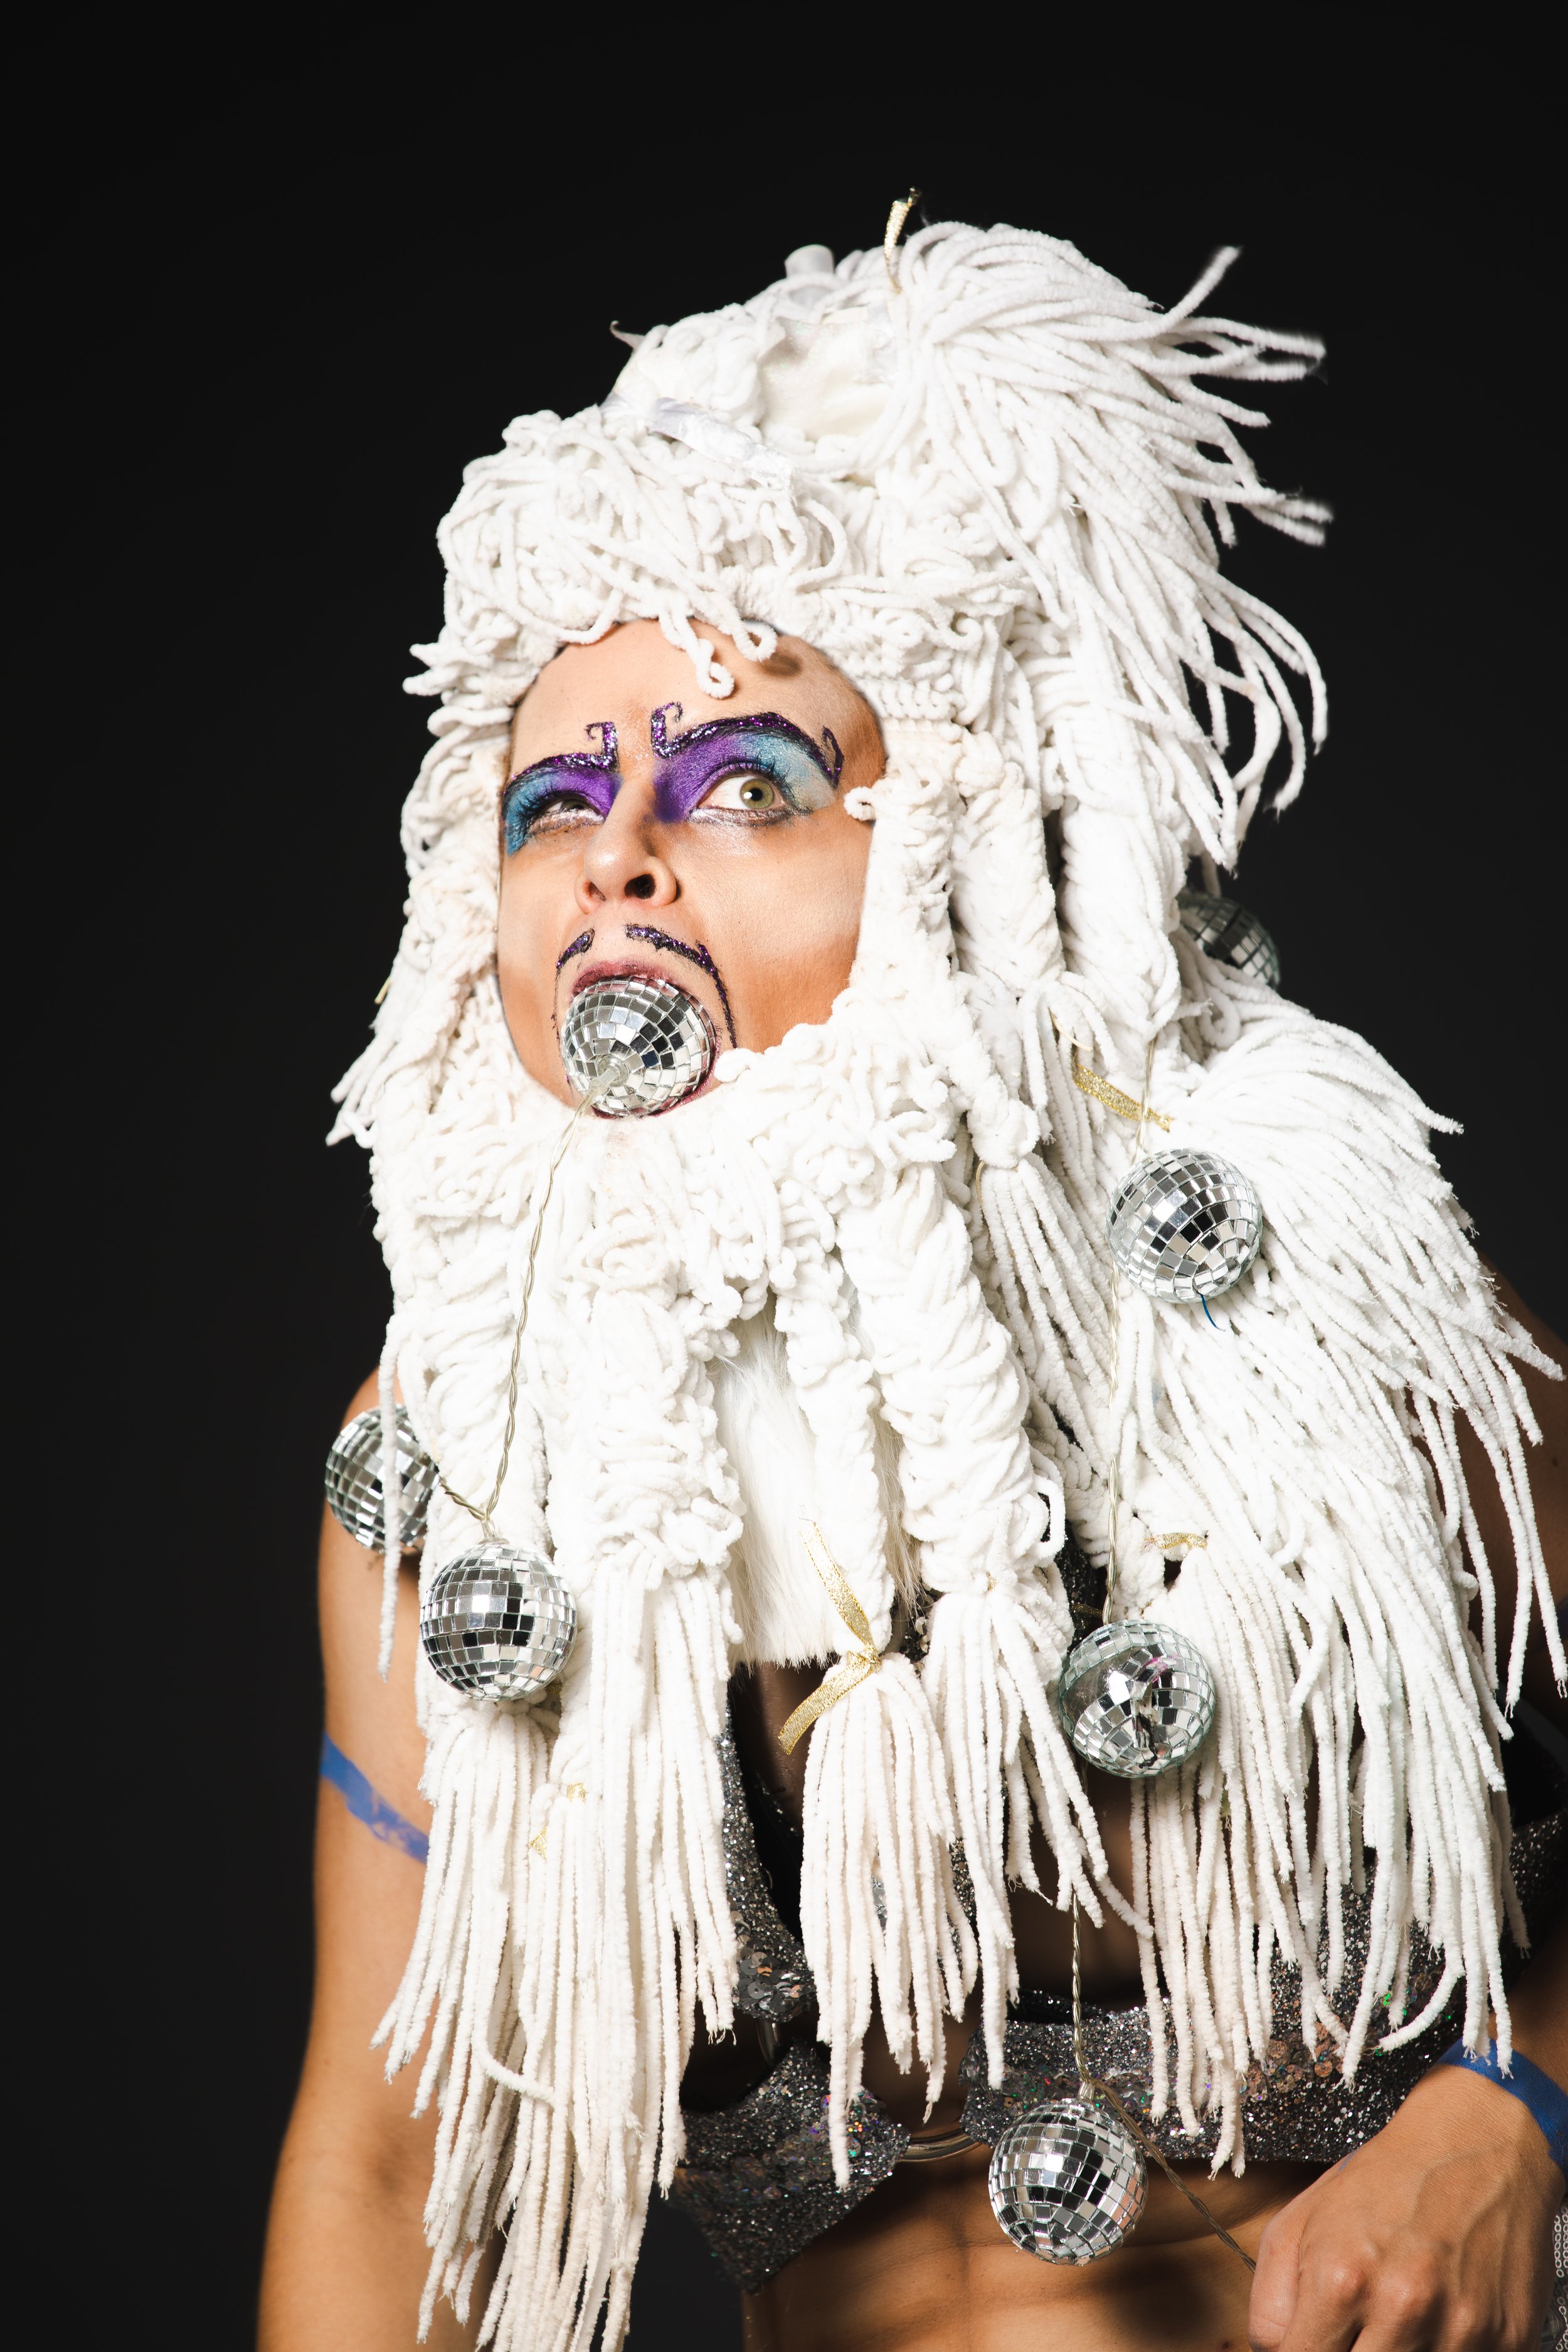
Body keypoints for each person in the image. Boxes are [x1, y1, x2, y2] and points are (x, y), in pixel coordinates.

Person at [258, 221, 1567, 2352]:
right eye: (552, 805)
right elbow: (386, 2164)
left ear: (960, 850)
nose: (614, 862)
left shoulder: (1331, 1304)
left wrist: (1506, 2118)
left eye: (741, 786)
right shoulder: (451, 1473)